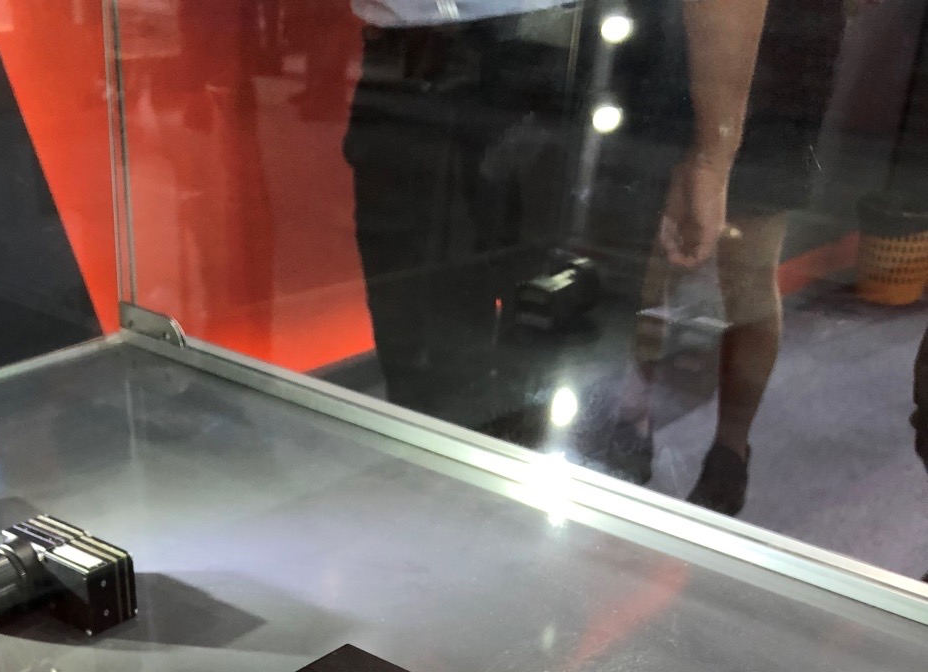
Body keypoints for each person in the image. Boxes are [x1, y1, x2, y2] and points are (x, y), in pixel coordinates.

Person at [343, 0, 772, 429]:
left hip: (564, 63)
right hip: (412, 61)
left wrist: (712, 154)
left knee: (556, 374)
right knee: (424, 377)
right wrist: (712, 154)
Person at [605, 0, 870, 515]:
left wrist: (712, 156)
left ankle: (728, 449)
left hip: (780, 60)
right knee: (654, 261)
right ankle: (637, 419)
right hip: (677, 44)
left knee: (746, 271)